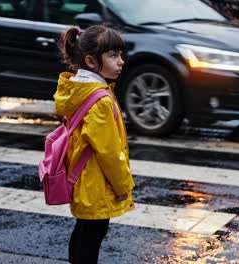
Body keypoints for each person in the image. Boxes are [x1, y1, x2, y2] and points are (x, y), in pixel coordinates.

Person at [55, 25, 135, 264]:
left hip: (82, 177)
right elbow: (109, 151)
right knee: (93, 234)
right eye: (112, 56)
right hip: (96, 182)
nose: (120, 62)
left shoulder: (78, 90)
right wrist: (123, 186)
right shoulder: (99, 100)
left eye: (120, 55)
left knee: (84, 231)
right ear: (90, 61)